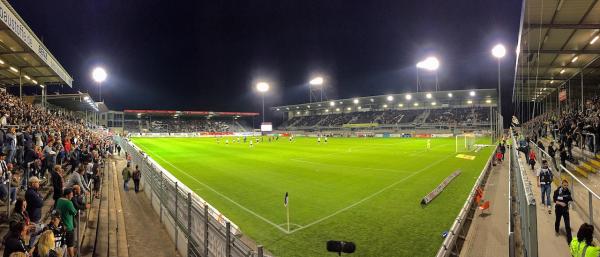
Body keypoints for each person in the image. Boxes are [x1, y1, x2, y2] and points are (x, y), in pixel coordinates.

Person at [55, 188, 77, 257]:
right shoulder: (69, 203)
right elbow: (74, 212)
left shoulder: (59, 200)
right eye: (71, 195)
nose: (72, 196)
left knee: (63, 245)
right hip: (69, 227)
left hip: (61, 226)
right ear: (67, 195)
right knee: (70, 245)